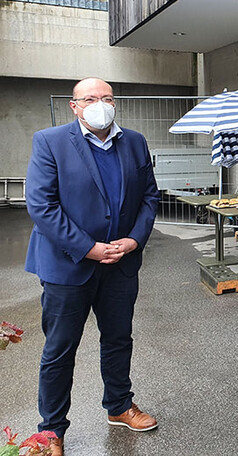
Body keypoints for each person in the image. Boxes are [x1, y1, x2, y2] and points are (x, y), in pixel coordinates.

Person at [25, 78, 160, 456]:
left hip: (120, 262)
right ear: (74, 106)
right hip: (68, 265)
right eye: (90, 99)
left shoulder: (135, 142)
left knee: (118, 339)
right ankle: (51, 431)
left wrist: (134, 240)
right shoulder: (49, 141)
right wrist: (88, 248)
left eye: (107, 98)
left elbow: (149, 197)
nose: (100, 104)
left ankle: (119, 405)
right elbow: (42, 205)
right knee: (59, 349)